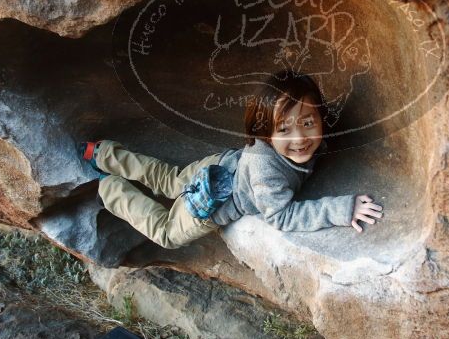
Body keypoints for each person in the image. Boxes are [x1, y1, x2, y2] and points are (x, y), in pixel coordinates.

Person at [80, 72, 384, 250]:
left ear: (320, 116)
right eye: (284, 129)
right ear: (263, 132)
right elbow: (281, 216)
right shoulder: (266, 171)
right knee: (166, 233)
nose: (299, 138)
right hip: (212, 201)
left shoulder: (294, 144)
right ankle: (110, 190)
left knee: (169, 179)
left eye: (308, 122)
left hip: (219, 165)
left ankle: (102, 153)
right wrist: (342, 209)